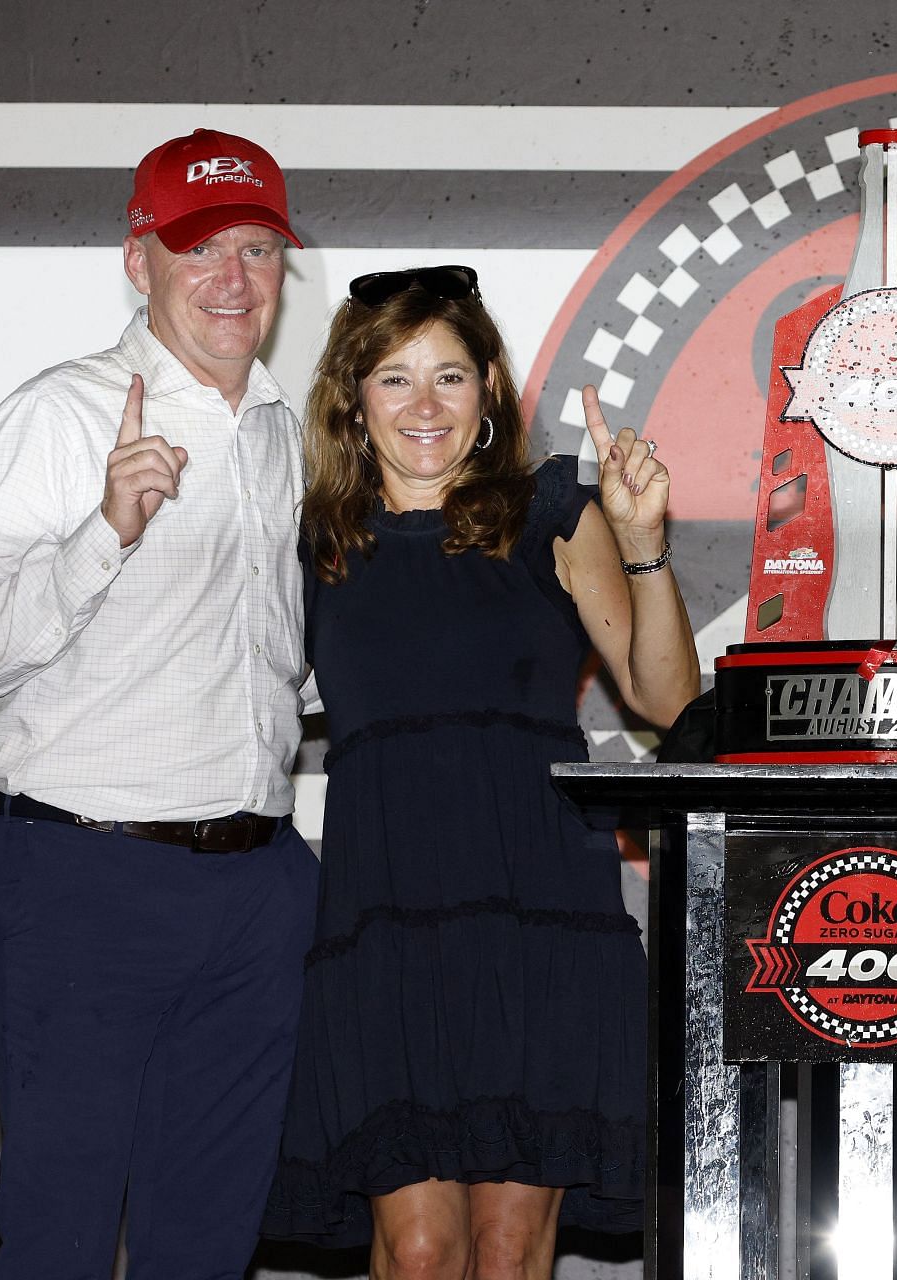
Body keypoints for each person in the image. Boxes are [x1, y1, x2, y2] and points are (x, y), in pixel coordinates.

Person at [0, 129, 316, 1277]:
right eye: (200, 248)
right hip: (89, 880)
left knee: (208, 1242)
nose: (233, 279)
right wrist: (103, 535)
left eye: (257, 247)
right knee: (58, 1231)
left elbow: (274, 659)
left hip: (255, 882)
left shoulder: (285, 436)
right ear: (138, 258)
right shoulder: (63, 414)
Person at [260, 264, 698, 1277]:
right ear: (352, 400)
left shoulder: (551, 511)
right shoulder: (314, 539)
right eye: (395, 377)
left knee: (506, 1249)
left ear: (490, 390)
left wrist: (642, 546)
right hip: (385, 923)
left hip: (538, 911)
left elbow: (666, 699)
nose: (425, 405)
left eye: (450, 376)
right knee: (419, 1248)